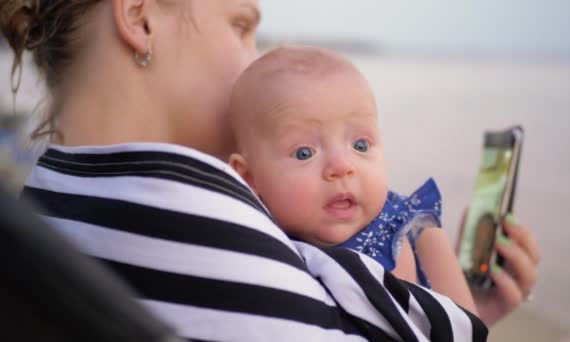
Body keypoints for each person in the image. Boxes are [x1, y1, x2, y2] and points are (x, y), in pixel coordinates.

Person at [0, 0, 537, 339]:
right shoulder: (201, 225)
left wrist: (450, 311)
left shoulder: (52, 199)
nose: (252, 62)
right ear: (140, 17)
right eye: (240, 27)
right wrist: (463, 318)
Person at [226, 45, 475, 311]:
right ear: (250, 178)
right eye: (304, 153)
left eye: (360, 146)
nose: (342, 166)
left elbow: (469, 328)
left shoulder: (413, 229)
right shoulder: (260, 253)